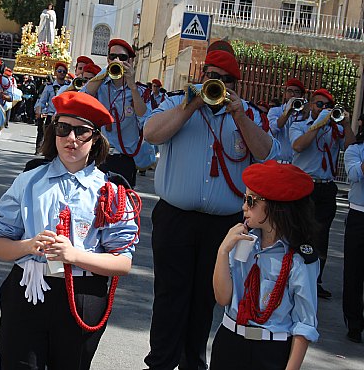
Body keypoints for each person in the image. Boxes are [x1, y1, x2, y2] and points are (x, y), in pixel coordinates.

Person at [142, 42, 280, 370]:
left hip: (222, 223)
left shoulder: (248, 115)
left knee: (205, 299)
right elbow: (150, 133)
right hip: (176, 218)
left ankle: (193, 363)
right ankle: (160, 363)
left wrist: (240, 118)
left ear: (235, 86)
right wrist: (190, 107)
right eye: (211, 76)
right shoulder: (178, 102)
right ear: (202, 76)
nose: (216, 82)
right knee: (169, 296)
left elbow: (268, 155)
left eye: (225, 79)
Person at [0, 91, 139, 369]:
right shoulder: (28, 181)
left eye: (81, 131)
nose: (71, 139)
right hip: (28, 287)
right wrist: (27, 245)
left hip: (83, 294)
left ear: (96, 139)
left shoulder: (112, 191)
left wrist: (74, 255)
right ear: (53, 133)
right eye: (63, 129)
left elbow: (123, 262)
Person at [210, 160, 320, 370]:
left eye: (251, 201)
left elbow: (304, 324)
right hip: (230, 341)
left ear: (275, 207)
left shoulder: (298, 258)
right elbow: (223, 297)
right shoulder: (242, 241)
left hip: (271, 350)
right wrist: (222, 251)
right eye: (244, 199)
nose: (244, 207)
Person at [290, 88, 355, 299]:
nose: (323, 110)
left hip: (326, 187)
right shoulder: (300, 125)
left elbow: (351, 148)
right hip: (304, 184)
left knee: (321, 235)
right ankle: (292, 275)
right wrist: (318, 126)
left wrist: (345, 124)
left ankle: (315, 280)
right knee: (298, 231)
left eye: (327, 106)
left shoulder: (334, 130)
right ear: (310, 106)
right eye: (319, 105)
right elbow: (299, 146)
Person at [83, 39, 147, 188]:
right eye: (113, 57)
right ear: (108, 59)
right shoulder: (100, 86)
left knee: (121, 207)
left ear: (130, 61)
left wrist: (132, 86)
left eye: (122, 57)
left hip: (123, 159)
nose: (117, 60)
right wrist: (105, 72)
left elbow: (144, 118)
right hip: (98, 155)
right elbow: (83, 97)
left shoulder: (139, 91)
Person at [343, 134, 364, 343]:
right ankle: (354, 323)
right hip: (359, 214)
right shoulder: (355, 150)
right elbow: (355, 174)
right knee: (354, 272)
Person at [267, 78, 307, 164]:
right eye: (289, 91)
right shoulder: (275, 111)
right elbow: (272, 129)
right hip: (279, 162)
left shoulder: (305, 113)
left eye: (297, 92)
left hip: (299, 164)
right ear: (285, 93)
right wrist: (287, 112)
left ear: (302, 96)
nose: (292, 94)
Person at [34, 62, 70, 153]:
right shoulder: (49, 86)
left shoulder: (68, 87)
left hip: (62, 117)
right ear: (55, 72)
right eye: (59, 71)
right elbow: (42, 101)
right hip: (50, 116)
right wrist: (39, 110)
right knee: (48, 138)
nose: (61, 73)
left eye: (64, 72)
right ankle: (43, 152)